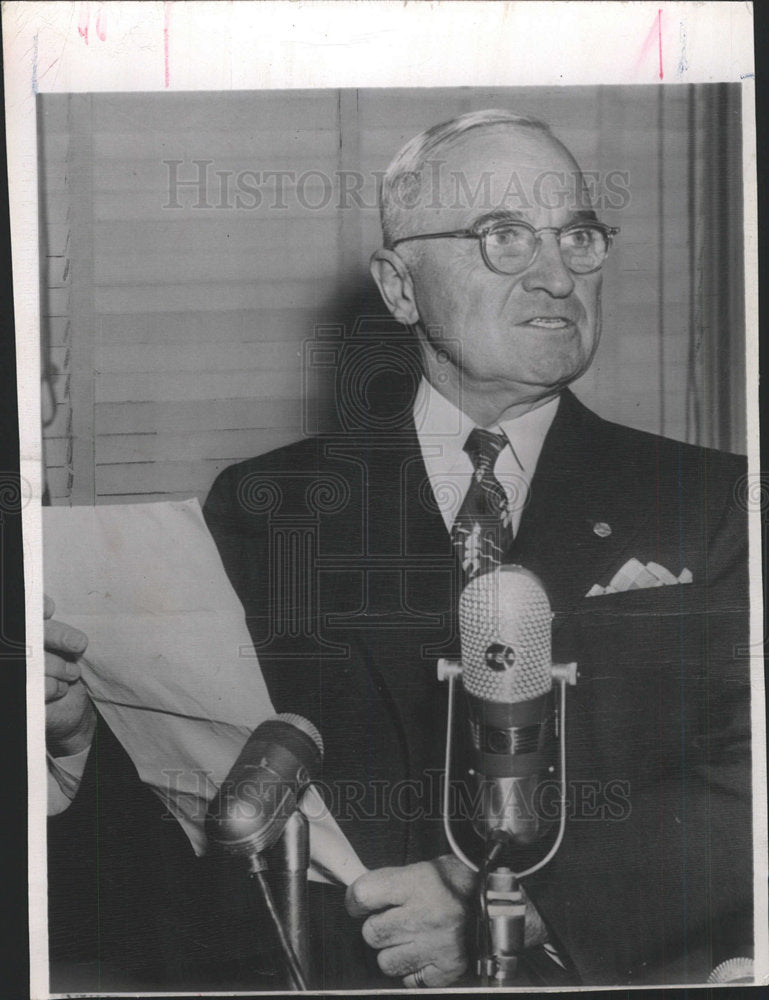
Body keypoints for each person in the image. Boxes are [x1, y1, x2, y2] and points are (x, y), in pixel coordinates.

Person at [46, 109, 753, 989]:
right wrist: (73, 735)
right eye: (502, 235)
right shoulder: (272, 509)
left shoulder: (716, 500)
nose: (555, 275)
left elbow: (746, 782)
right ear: (399, 286)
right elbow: (191, 827)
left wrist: (517, 903)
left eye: (576, 235)